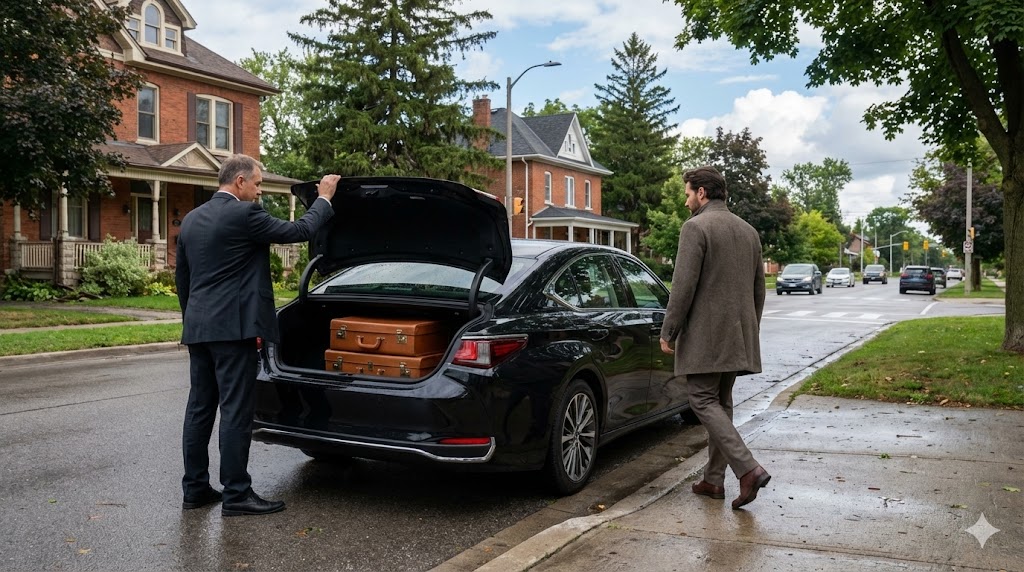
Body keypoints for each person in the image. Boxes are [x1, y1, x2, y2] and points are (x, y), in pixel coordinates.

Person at [175, 154, 340, 516]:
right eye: (258, 183)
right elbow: (298, 232)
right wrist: (325, 198)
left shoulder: (191, 219)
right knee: (235, 411)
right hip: (233, 330)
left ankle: (195, 489)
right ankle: (236, 494)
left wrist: (194, 322)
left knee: (200, 408)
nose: (259, 191)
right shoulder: (245, 214)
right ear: (239, 182)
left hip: (199, 329)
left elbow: (183, 281)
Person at [659, 166, 770, 510]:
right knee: (721, 404)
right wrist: (751, 328)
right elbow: (759, 290)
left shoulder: (696, 227)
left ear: (702, 193)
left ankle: (748, 468)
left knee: (702, 400)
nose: (686, 199)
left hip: (707, 337)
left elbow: (682, 288)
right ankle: (712, 480)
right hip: (739, 334)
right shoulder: (748, 230)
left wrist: (669, 331)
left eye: (688, 192)